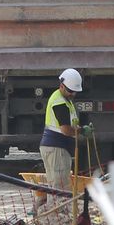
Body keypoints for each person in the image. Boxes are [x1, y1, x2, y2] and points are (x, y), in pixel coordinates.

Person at [40, 68, 83, 198]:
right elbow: (65, 130)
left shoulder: (63, 99)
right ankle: (58, 215)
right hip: (57, 148)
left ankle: (53, 214)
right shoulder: (60, 103)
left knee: (55, 186)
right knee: (61, 188)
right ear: (61, 86)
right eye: (70, 91)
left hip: (54, 147)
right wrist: (81, 130)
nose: (72, 94)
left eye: (75, 92)